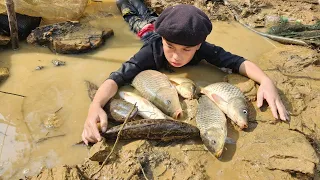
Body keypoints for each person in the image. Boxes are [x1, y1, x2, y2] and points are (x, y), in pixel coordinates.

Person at [81, 1, 289, 145]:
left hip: (159, 27)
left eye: (186, 50)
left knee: (142, 11)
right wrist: (95, 106)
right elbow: (116, 78)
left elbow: (238, 62)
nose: (175, 57)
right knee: (130, 13)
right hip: (147, 33)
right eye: (170, 47)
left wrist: (265, 81)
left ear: (198, 45)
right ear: (163, 40)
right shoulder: (150, 52)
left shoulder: (203, 48)